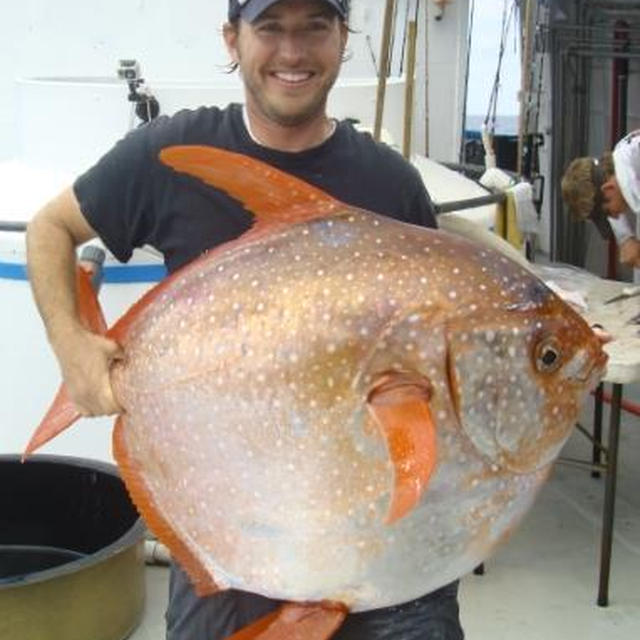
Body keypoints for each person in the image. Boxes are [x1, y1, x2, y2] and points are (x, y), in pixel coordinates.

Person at [26, 1, 464, 639]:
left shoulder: (391, 185)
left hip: (372, 536)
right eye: (270, 28)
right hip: (227, 528)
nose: (293, 52)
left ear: (344, 39)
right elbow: (51, 228)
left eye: (316, 26)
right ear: (232, 39)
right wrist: (72, 345)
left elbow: (427, 351)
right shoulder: (169, 153)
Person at [561, 130, 640, 268]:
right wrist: (626, 238)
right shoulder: (622, 154)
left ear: (608, 188)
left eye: (608, 212)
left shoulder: (631, 188)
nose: (615, 216)